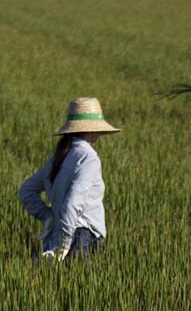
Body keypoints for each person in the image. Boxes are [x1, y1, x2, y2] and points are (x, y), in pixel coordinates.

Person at [18, 98, 120, 261]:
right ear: (93, 130)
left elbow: (26, 191)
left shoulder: (59, 156)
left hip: (58, 233)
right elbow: (73, 203)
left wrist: (49, 217)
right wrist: (64, 244)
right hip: (82, 237)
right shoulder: (89, 158)